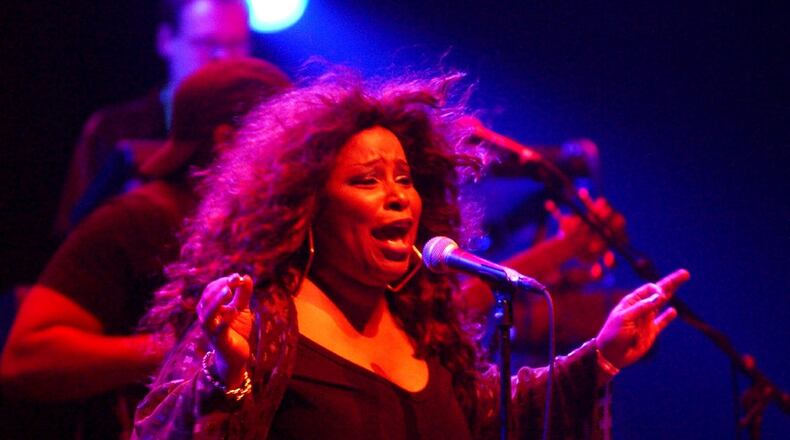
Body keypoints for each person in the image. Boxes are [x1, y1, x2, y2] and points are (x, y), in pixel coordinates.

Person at [132, 70, 690, 439]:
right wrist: (226, 375)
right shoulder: (266, 323)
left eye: (405, 177)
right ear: (308, 209)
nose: (399, 195)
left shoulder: (423, 325)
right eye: (367, 181)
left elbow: (496, 415)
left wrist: (602, 356)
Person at [0, 58, 290, 439]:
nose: (299, 152)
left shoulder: (278, 227)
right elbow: (26, 358)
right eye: (286, 136)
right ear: (226, 140)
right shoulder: (140, 219)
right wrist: (180, 348)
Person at [54, 0, 252, 236]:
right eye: (206, 43)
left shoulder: (257, 132)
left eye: (237, 44)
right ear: (166, 40)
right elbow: (71, 237)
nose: (225, 58)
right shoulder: (112, 130)